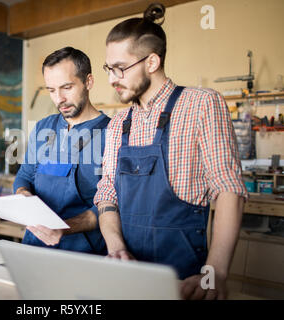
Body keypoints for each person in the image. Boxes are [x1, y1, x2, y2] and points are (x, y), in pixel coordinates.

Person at [94, 3, 248, 299]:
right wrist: (116, 248)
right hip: (128, 275)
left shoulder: (201, 104)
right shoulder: (118, 124)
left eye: (120, 68)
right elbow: (106, 193)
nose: (112, 78)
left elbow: (229, 188)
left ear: (151, 62)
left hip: (185, 279)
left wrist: (215, 272)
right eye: (108, 69)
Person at [13, 46, 111, 254]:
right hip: (35, 245)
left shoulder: (112, 133)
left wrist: (64, 227)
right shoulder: (43, 127)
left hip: (84, 251)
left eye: (66, 87)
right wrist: (23, 194)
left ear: (88, 82)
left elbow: (113, 204)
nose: (59, 99)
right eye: (51, 90)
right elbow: (25, 175)